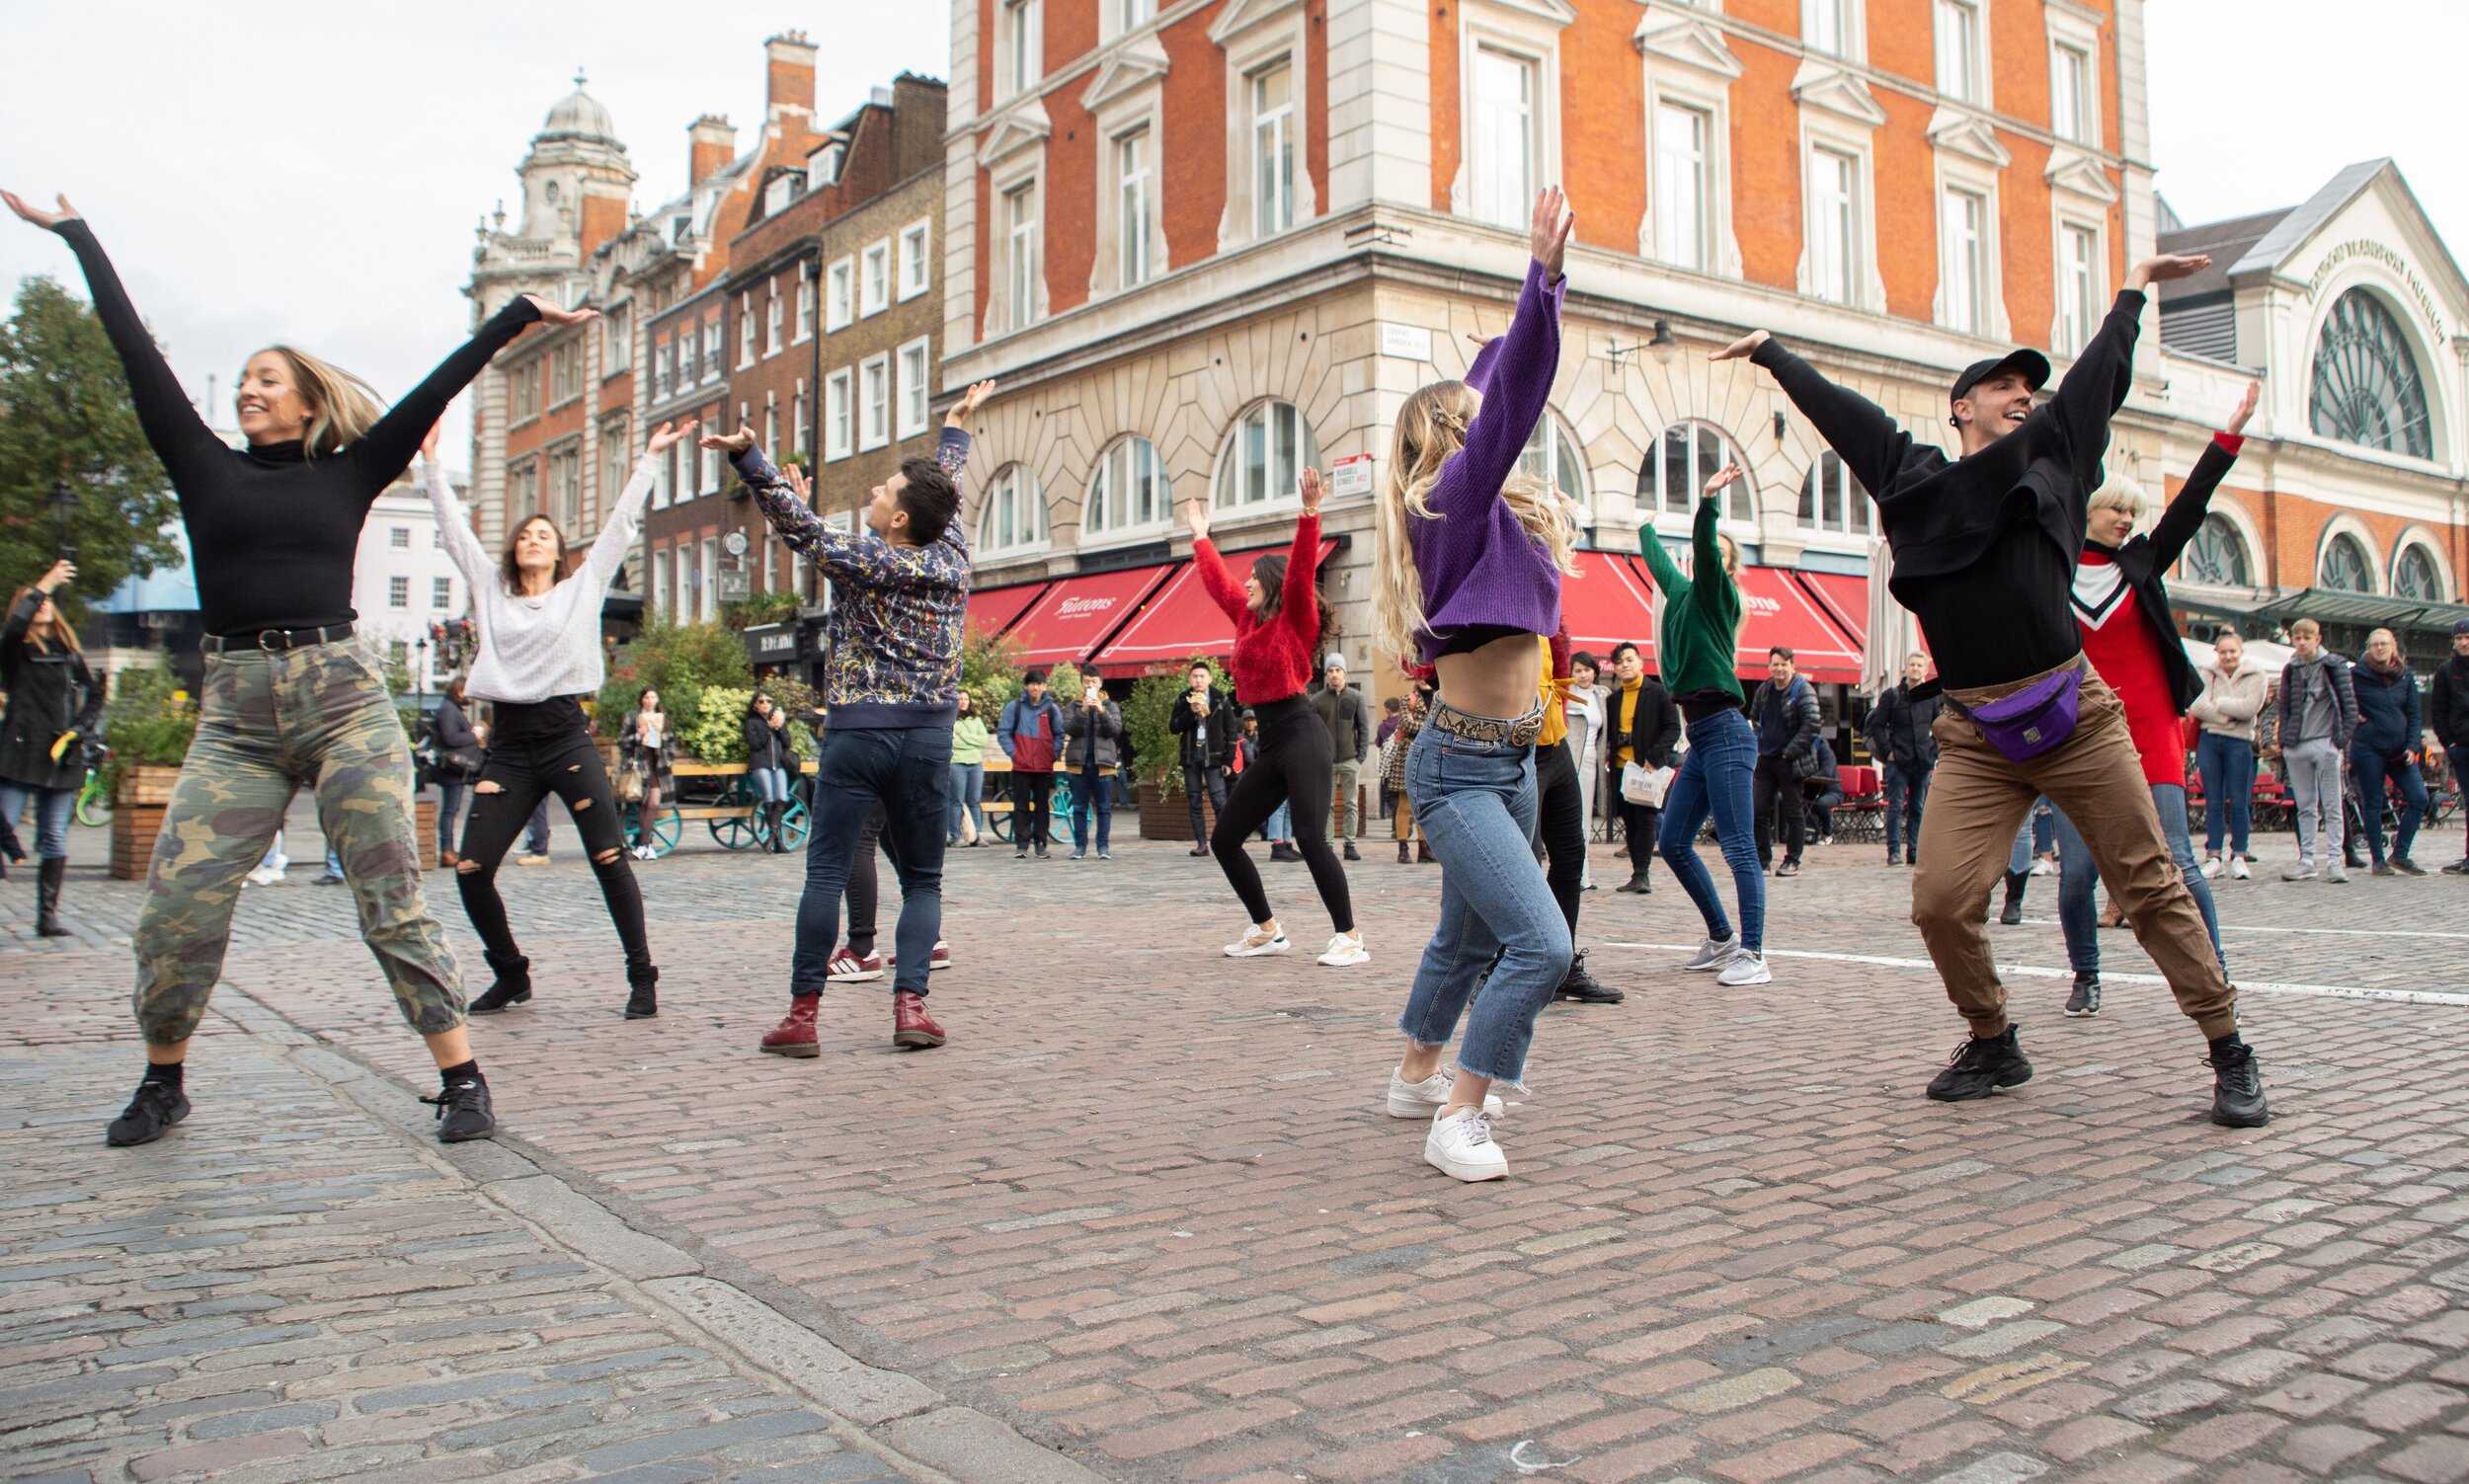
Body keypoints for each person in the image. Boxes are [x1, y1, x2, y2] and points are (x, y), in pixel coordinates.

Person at [7, 191, 591, 1147]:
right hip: (234, 717)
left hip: (342, 703)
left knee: (388, 896)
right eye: (242, 378)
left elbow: (436, 389)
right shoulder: (202, 465)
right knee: (177, 906)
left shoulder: (352, 470)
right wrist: (77, 236)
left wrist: (519, 312)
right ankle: (164, 1079)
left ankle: (463, 1078)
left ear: (310, 399)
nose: (249, 389)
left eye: (267, 379)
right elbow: (135, 356)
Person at [1717, 247, 2268, 1127]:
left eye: (2031, 387)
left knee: (2150, 884)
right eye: (2006, 385)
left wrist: (2133, 291)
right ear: (1961, 406)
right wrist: (1776, 354)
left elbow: (2099, 377)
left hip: (2076, 717)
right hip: (1975, 733)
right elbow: (1848, 421)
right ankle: (1994, 1037)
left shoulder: (2054, 457)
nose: (2025, 394)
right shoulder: (1915, 481)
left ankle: (2229, 1047)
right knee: (1939, 902)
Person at [1374, 187, 1577, 1181]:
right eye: (1472, 419)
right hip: (1457, 767)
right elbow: (1516, 390)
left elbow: (1499, 373)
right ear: (1448, 438)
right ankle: (1456, 1113)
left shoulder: (1480, 508)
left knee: (1464, 934)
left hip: (1510, 763)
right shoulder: (1450, 501)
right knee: (1538, 943)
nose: (1491, 423)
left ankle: (1415, 1070)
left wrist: (1524, 300)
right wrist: (1542, 279)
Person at [730, 379, 992, 1056]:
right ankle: (910, 1006)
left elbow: (800, 529)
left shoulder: (866, 558)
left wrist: (752, 462)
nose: (875, 494)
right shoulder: (952, 555)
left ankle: (803, 1015)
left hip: (857, 732)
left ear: (900, 518)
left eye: (882, 492)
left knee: (824, 872)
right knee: (926, 879)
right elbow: (945, 488)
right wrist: (954, 436)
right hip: (929, 736)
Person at [430, 418, 683, 1021]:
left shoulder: (581, 588)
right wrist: (431, 464)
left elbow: (621, 528)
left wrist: (648, 459)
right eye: (526, 535)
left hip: (567, 736)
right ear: (515, 550)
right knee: (471, 869)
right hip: (511, 745)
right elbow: (453, 531)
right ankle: (511, 972)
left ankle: (641, 976)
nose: (534, 540)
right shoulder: (491, 590)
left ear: (558, 549)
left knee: (609, 859)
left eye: (545, 534)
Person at [2045, 395, 2251, 1015]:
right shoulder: (2049, 568)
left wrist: (2228, 438)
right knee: (2079, 873)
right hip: (2077, 730)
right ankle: (2086, 972)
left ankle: (2212, 970)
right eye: (2118, 510)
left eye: (2134, 511)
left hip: (2152, 724)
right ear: (2090, 509)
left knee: (2178, 860)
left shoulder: (2142, 561)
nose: (2127, 520)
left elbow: (2192, 505)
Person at [1185, 473, 1363, 969]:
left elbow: (1302, 573)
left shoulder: (1295, 621)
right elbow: (1218, 582)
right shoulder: (1246, 620)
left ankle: (1350, 937)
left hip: (1304, 735)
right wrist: (1200, 537)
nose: (1244, 585)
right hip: (1271, 742)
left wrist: (1309, 515)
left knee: (1309, 836)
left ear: (1270, 585)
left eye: (1252, 580)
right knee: (1225, 839)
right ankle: (1267, 929)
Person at [1640, 464, 1770, 985]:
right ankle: (1722, 938)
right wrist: (1645, 526)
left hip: (1728, 732)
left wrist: (1709, 503)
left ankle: (1754, 954)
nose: (1706, 554)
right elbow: (1657, 563)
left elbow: (1707, 551)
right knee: (1671, 841)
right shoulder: (1682, 596)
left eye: (1717, 552)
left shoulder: (1720, 598)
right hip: (1702, 738)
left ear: (1726, 565)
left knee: (1738, 845)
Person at [1, 560, 101, 938]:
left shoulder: (69, 653)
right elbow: (13, 628)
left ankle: (47, 916)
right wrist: (45, 582)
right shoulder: (14, 651)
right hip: (19, 750)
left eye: (44, 600)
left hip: (61, 755)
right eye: (32, 601)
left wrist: (79, 730)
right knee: (4, 828)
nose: (41, 603)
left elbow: (95, 695)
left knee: (55, 836)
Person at [1534, 633, 1620, 1004]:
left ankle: (1562, 968)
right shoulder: (1497, 598)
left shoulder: (1546, 616)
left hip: (1556, 746)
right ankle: (1498, 965)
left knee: (1570, 857)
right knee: (1520, 862)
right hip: (1516, 751)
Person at [2272, 618, 2357, 884]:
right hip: (2298, 744)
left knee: (2333, 804)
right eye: (2296, 638)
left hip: (2325, 742)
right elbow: (2284, 706)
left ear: (2317, 639)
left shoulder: (2334, 665)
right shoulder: (2292, 669)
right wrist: (2286, 742)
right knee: (2305, 806)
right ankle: (2306, 859)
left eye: (2306, 638)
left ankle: (2335, 860)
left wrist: (2339, 742)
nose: (2301, 643)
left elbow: (2349, 706)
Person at [1601, 640, 1679, 894]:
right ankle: (1636, 872)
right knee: (1630, 822)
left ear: (1640, 662)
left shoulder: (1657, 693)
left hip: (1647, 767)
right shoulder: (1614, 699)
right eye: (1620, 662)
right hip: (1622, 769)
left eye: (1629, 660)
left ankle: (1642, 874)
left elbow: (1673, 728)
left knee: (1645, 820)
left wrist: (1656, 756)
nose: (1625, 665)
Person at [2350, 627, 2429, 877]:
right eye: (2375, 644)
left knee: (2419, 798)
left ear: (2393, 646)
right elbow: (2338, 700)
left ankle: (2400, 854)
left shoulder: (2405, 675)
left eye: (2384, 643)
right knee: (2372, 804)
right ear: (2368, 648)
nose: (2380, 648)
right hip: (2368, 749)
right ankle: (2378, 860)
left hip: (2400, 751)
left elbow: (2415, 714)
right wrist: (2353, 716)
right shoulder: (2355, 675)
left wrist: (2412, 746)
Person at [2191, 629, 2270, 880]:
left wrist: (2220, 704)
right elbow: (2198, 705)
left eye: (2232, 651)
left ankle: (2239, 854)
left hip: (2239, 743)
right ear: (2216, 653)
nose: (2228, 656)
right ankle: (2214, 855)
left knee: (2239, 801)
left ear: (2241, 652)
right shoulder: (2207, 672)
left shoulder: (2256, 674)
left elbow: (2250, 708)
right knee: (2213, 801)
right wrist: (2229, 715)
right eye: (2223, 651)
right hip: (2209, 741)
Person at [1747, 648, 1821, 877]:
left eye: (1783, 664)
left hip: (1790, 760)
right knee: (1758, 810)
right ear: (1769, 666)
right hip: (1766, 759)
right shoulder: (1765, 689)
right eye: (1775, 664)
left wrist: (1788, 752)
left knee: (1793, 811)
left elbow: (1812, 725)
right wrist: (1759, 745)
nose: (1779, 669)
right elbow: (1754, 718)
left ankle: (1792, 859)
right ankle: (1762, 860)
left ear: (1792, 666)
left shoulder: (1802, 689)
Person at [1865, 653, 1939, 867]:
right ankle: (1894, 851)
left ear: (1926, 670)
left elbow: (1938, 725)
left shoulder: (1931, 696)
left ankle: (1914, 850)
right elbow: (1877, 725)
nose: (1915, 669)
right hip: (1898, 759)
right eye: (1912, 665)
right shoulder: (1893, 695)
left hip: (1923, 760)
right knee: (1895, 806)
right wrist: (1888, 751)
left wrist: (1933, 751)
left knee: (1918, 807)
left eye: (1919, 665)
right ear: (1905, 668)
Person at [1169, 661, 1234, 857]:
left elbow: (1231, 731)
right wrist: (1191, 712)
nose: (1198, 680)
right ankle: (1201, 843)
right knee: (1194, 800)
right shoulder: (1183, 698)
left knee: (1219, 800)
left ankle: (1223, 842)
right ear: (1190, 679)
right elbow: (1173, 727)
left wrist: (1228, 760)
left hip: (1213, 756)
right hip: (1191, 756)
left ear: (1210, 679)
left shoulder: (1220, 698)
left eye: (1202, 676)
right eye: (1195, 676)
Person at [1311, 657, 1373, 861]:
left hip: (1350, 759)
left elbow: (1363, 728)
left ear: (1344, 672)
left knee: (1350, 803)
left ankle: (1349, 844)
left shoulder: (1356, 697)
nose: (1334, 674)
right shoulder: (1318, 700)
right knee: (1326, 804)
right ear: (1327, 674)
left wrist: (1360, 756)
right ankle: (1327, 844)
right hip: (1325, 761)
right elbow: (1312, 731)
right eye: (1330, 671)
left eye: (1338, 670)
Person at [997, 669, 1065, 859]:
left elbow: (1059, 734)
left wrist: (1053, 754)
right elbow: (1003, 732)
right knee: (1021, 805)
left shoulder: (1052, 709)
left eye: (1039, 683)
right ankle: (1022, 844)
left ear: (1045, 686)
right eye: (1032, 683)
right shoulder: (1015, 707)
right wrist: (1015, 754)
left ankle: (1041, 843)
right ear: (1026, 686)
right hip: (1022, 766)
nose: (1035, 687)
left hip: (1044, 766)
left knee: (1042, 806)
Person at [1062, 675, 1123, 861]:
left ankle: (1103, 847)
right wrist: (1084, 711)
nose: (1090, 685)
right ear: (1082, 683)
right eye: (1087, 682)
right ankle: (1080, 847)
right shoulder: (1073, 705)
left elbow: (1115, 730)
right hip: (1078, 763)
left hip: (1102, 763)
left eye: (1094, 682)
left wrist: (1101, 711)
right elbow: (1069, 728)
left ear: (1101, 683)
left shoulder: (1111, 706)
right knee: (1079, 807)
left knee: (1104, 807)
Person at [427, 678, 484, 869]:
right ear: (460, 692)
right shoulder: (449, 710)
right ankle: (447, 850)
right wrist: (473, 735)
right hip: (452, 769)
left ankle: (449, 849)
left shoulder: (450, 708)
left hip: (454, 768)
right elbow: (451, 738)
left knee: (451, 810)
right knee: (450, 811)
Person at [1563, 653, 1607, 890]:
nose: (1583, 675)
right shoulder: (1565, 696)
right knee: (1572, 816)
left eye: (1587, 670)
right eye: (1578, 670)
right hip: (1570, 759)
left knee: (1585, 818)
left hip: (1592, 760)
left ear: (1595, 671)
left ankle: (1584, 875)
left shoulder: (1602, 695)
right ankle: (1574, 872)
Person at [620, 688, 674, 859]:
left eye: (653, 697)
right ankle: (644, 845)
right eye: (646, 697)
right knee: (644, 805)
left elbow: (670, 742)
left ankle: (644, 845)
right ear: (641, 699)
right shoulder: (633, 717)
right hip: (640, 766)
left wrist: (662, 746)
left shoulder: (662, 718)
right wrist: (638, 735)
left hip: (658, 767)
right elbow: (622, 741)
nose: (650, 700)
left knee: (653, 804)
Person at [2433, 620, 2469, 874]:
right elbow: (2438, 709)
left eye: (2467, 637)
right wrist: (2449, 743)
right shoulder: (2446, 671)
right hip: (2461, 747)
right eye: (2459, 638)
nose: (2464, 642)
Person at [745, 689, 798, 853]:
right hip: (761, 765)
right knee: (769, 799)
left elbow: (787, 743)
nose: (765, 704)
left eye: (768, 701)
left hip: (779, 765)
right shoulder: (752, 723)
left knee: (781, 799)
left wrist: (780, 728)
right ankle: (778, 841)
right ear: (755, 705)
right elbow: (755, 745)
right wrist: (769, 728)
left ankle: (773, 839)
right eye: (761, 701)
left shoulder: (778, 720)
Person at [949, 691, 990, 847]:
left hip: (975, 763)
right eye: (960, 699)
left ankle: (976, 835)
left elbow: (983, 739)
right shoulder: (951, 719)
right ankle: (956, 835)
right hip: (957, 763)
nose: (963, 702)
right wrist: (973, 740)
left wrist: (965, 737)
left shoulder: (976, 720)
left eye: (966, 699)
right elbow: (953, 741)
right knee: (956, 801)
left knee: (974, 801)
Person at [1801, 736, 1843, 844]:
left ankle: (1827, 833)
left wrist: (1808, 776)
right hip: (1811, 790)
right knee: (1800, 801)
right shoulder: (1804, 752)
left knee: (1821, 803)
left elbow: (1826, 773)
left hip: (1832, 792)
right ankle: (1808, 833)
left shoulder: (1827, 753)